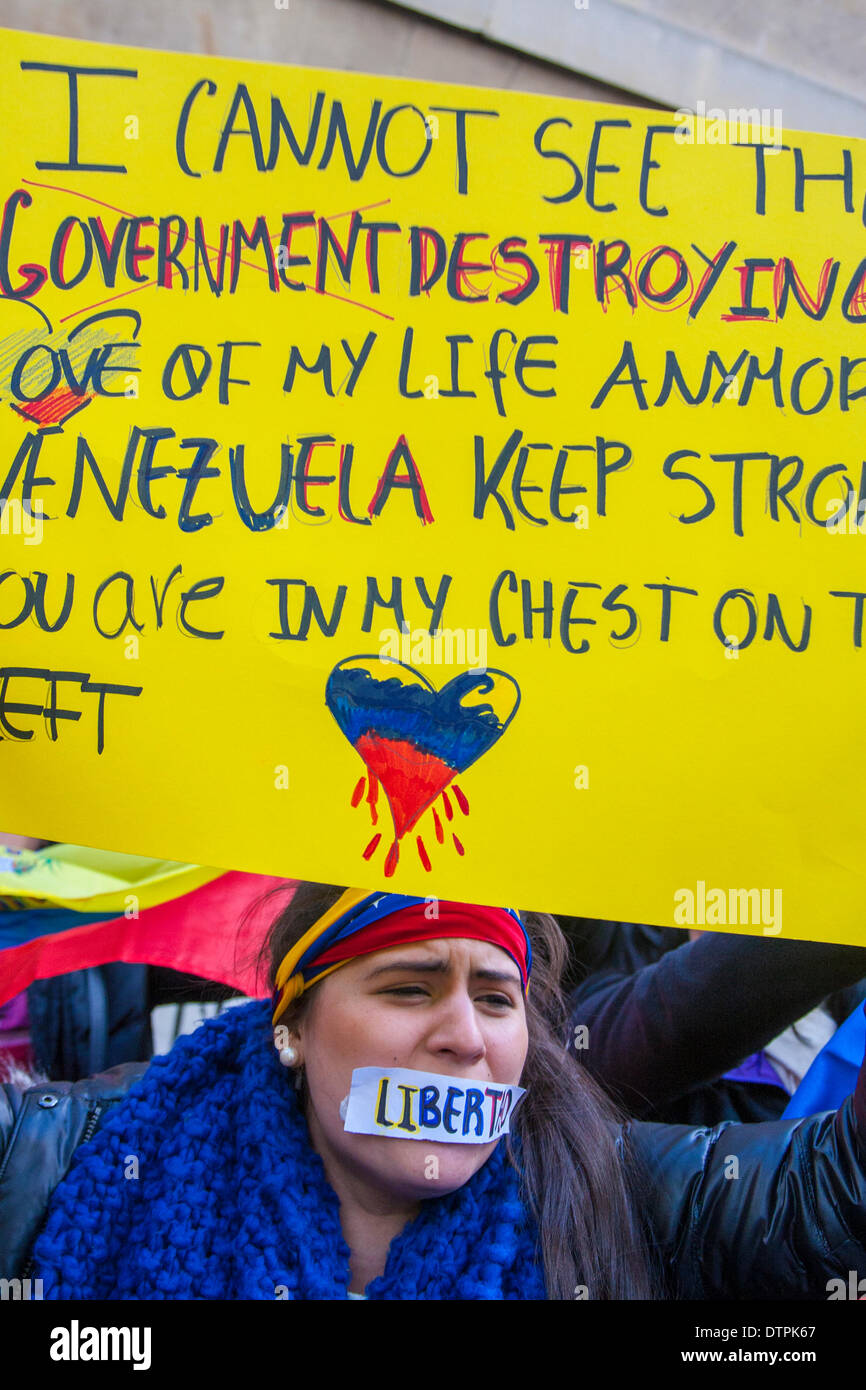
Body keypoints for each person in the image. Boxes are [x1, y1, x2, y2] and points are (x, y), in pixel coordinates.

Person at [3, 883, 866, 1300]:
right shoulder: (52, 1164)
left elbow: (840, 1190)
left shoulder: (629, 1193)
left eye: (496, 999)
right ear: (293, 1028)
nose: (464, 1034)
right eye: (407, 989)